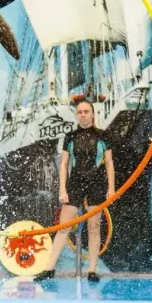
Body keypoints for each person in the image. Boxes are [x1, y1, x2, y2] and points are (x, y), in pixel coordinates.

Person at [33, 99, 115, 283]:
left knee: (94, 227)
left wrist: (111, 189)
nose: (83, 114)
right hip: (75, 182)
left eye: (86, 111)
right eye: (80, 112)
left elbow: (109, 163)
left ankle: (92, 270)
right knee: (64, 227)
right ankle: (49, 268)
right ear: (77, 115)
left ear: (93, 114)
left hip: (97, 183)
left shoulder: (103, 136)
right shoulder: (70, 136)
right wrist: (62, 189)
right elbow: (64, 164)